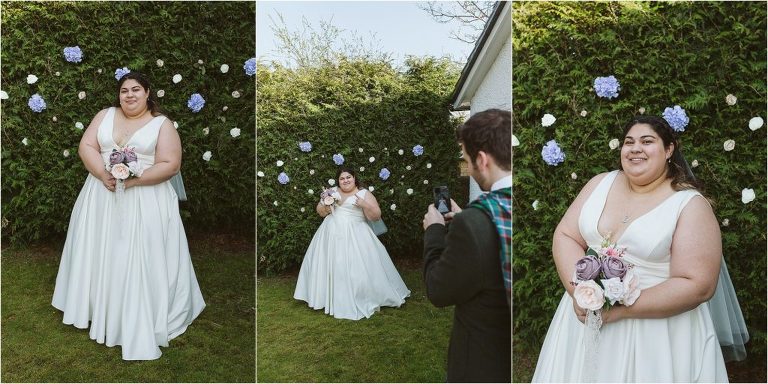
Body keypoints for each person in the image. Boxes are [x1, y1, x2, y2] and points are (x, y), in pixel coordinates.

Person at [532, 115, 728, 382]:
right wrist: (581, 292)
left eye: (647, 141)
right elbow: (566, 235)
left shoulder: (689, 205)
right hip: (584, 321)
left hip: (657, 335)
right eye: (629, 142)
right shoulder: (599, 183)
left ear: (669, 149)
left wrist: (618, 310)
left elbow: (698, 284)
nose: (635, 148)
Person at [52, 71, 205, 360]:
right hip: (101, 196)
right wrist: (102, 174)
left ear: (148, 93)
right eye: (124, 90)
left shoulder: (161, 124)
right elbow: (87, 146)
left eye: (136, 89)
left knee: (136, 254)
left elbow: (171, 164)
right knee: (100, 251)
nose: (130, 95)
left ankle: (136, 313)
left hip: (146, 199)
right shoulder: (105, 115)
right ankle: (98, 309)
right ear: (118, 95)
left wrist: (132, 181)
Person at [422, 109, 511, 382]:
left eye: (466, 160)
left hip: (483, 362)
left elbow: (438, 290)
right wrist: (466, 217)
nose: (468, 168)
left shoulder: (475, 222)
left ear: (482, 160)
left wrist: (434, 230)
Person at [293, 166, 410, 320]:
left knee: (354, 268)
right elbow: (320, 211)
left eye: (348, 177)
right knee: (329, 265)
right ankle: (326, 297)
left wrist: (364, 205)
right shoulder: (332, 192)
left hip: (357, 236)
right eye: (342, 178)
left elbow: (376, 216)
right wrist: (327, 205)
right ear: (338, 181)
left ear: (354, 178)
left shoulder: (364, 194)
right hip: (329, 237)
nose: (345, 180)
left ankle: (360, 296)